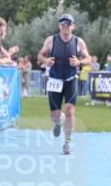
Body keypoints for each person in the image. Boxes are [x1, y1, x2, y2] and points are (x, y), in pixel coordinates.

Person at [37, 13, 91, 155]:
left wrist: (79, 63)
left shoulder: (78, 42)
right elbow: (40, 55)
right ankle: (58, 122)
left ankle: (67, 143)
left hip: (70, 80)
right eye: (62, 24)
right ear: (59, 26)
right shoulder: (51, 40)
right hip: (54, 80)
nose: (65, 27)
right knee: (55, 115)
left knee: (69, 111)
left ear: (73, 26)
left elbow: (88, 58)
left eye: (68, 24)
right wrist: (45, 61)